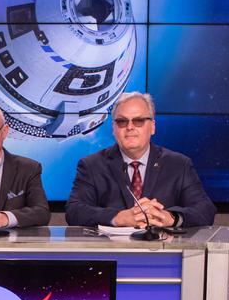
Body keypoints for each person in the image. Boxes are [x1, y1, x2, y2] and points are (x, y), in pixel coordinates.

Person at [65, 92, 215, 229]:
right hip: (112, 253)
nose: (130, 127)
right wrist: (118, 217)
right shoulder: (92, 165)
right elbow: (74, 211)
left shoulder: (179, 164)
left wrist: (171, 218)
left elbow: (205, 210)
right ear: (114, 128)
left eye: (138, 121)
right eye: (122, 121)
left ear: (152, 127)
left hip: (163, 254)